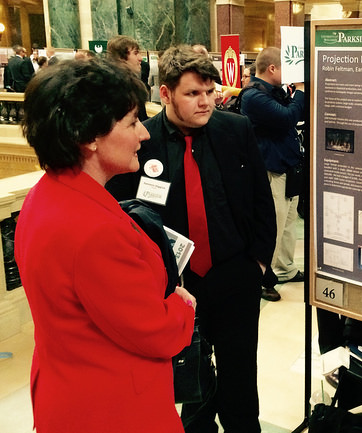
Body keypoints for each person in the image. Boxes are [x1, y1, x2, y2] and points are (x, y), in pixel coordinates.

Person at [14, 58, 196, 432]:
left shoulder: (44, 196)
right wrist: (181, 305)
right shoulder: (94, 229)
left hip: (66, 390)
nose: (144, 135)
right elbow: (154, 332)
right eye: (132, 123)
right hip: (113, 406)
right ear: (88, 136)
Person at [106, 44, 276, 433]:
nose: (205, 101)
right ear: (165, 93)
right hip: (176, 287)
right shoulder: (140, 140)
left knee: (239, 378)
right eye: (192, 93)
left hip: (234, 275)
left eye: (210, 91)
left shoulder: (236, 129)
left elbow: (260, 200)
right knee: (190, 384)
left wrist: (258, 264)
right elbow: (124, 216)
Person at [241, 47, 305, 302]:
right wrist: (300, 90)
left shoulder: (273, 92)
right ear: (272, 69)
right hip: (270, 170)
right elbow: (288, 117)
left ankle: (285, 268)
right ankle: (262, 278)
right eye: (285, 68)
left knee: (288, 224)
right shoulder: (253, 96)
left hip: (286, 167)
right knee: (272, 228)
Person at [108, 35, 148, 120]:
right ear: (120, 57)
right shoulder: (117, 90)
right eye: (135, 53)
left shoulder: (130, 85)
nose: (140, 58)